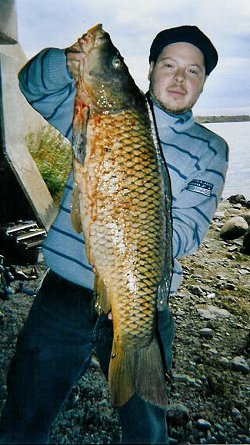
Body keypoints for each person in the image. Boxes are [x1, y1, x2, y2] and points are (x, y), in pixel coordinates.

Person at [0, 25, 228, 444]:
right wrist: (63, 62)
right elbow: (32, 87)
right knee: (25, 410)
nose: (179, 78)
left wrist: (133, 236)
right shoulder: (95, 114)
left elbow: (191, 230)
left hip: (145, 298)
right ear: (150, 70)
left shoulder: (210, 149)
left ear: (203, 83)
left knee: (146, 429)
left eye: (193, 71)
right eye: (169, 65)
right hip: (66, 290)